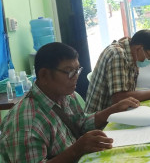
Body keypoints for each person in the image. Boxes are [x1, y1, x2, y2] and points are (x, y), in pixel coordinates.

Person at [0, 42, 140, 162]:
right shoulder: (27, 122)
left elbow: (81, 123)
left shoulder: (66, 95)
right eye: (69, 72)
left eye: (77, 70)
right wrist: (76, 150)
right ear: (44, 75)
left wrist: (114, 109)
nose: (75, 77)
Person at [85, 30, 150, 113]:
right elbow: (119, 98)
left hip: (117, 112)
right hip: (100, 119)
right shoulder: (117, 54)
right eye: (148, 57)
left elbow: (132, 87)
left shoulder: (131, 51)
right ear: (139, 49)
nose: (148, 61)